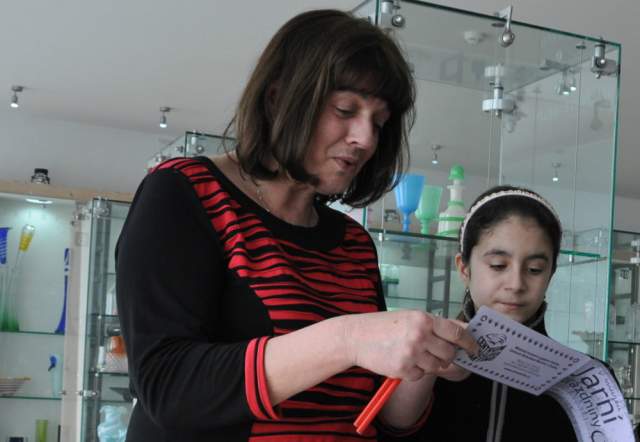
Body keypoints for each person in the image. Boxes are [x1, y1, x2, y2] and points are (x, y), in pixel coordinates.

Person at [115, 9, 478, 441]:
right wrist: (349, 339)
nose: (365, 139)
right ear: (277, 98)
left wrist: (427, 359)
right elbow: (168, 387)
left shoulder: (353, 243)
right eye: (345, 109)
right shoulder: (184, 193)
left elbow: (384, 418)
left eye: (378, 123)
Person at [398, 185, 583, 442]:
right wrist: (421, 378)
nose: (516, 284)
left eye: (535, 269)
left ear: (551, 274)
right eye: (498, 265)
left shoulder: (577, 381)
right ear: (464, 269)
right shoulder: (423, 362)